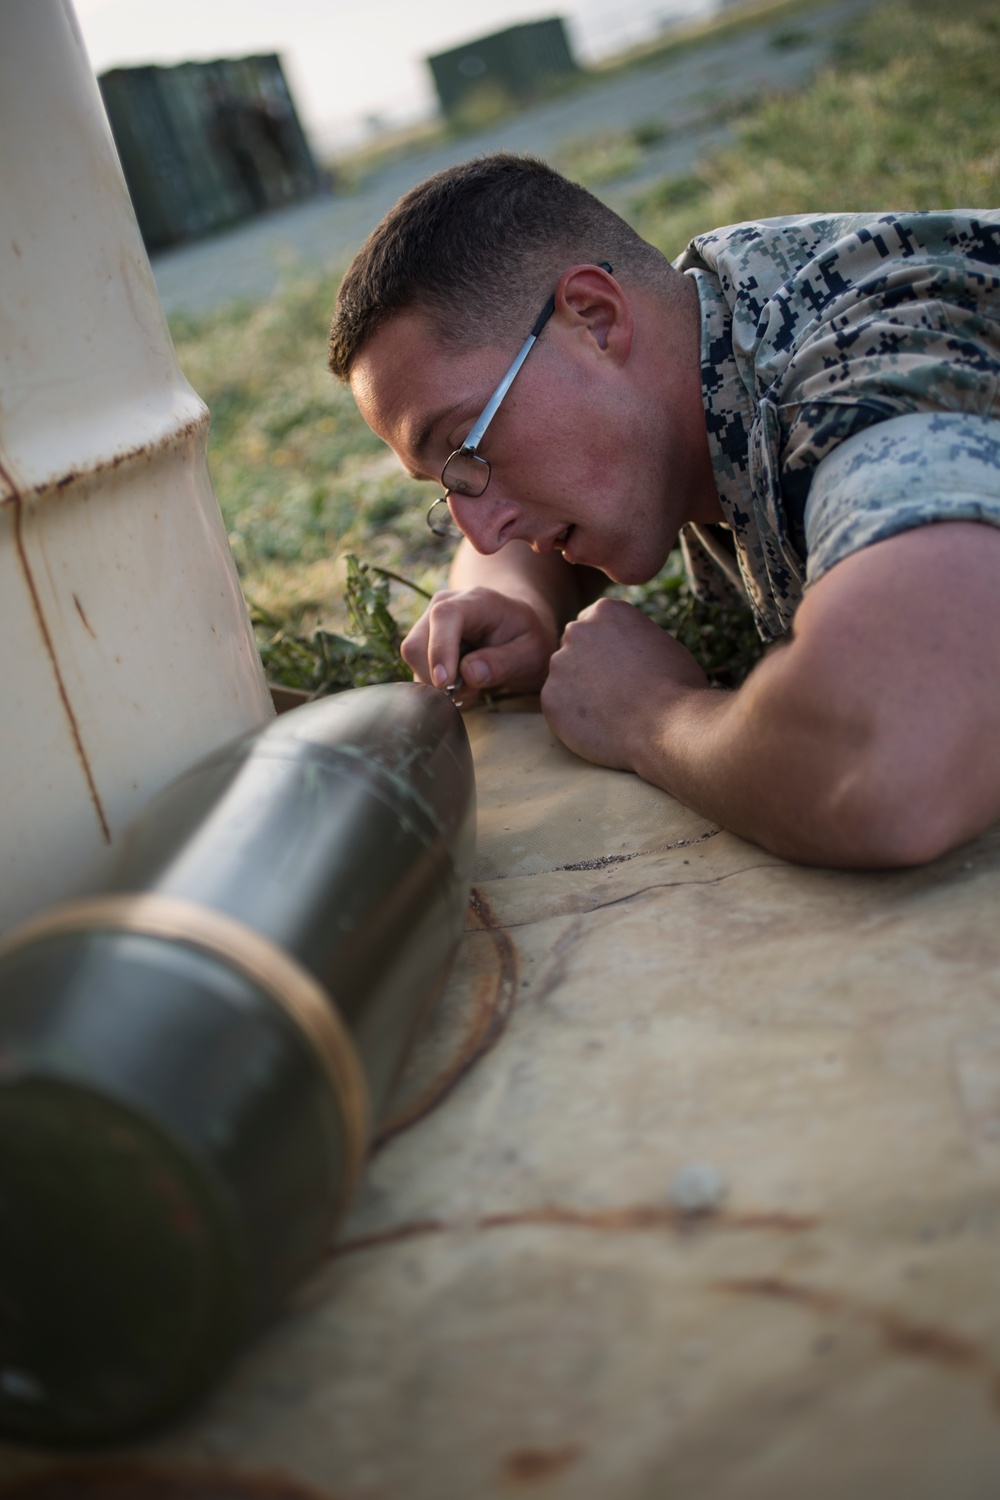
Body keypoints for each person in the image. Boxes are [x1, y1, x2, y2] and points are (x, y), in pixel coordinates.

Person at [328, 153, 1000, 869]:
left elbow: (889, 765)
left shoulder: (852, 376)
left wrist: (652, 715)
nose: (484, 533)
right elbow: (548, 507)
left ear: (594, 317)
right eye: (451, 485)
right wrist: (510, 599)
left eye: (468, 448)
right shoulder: (693, 330)